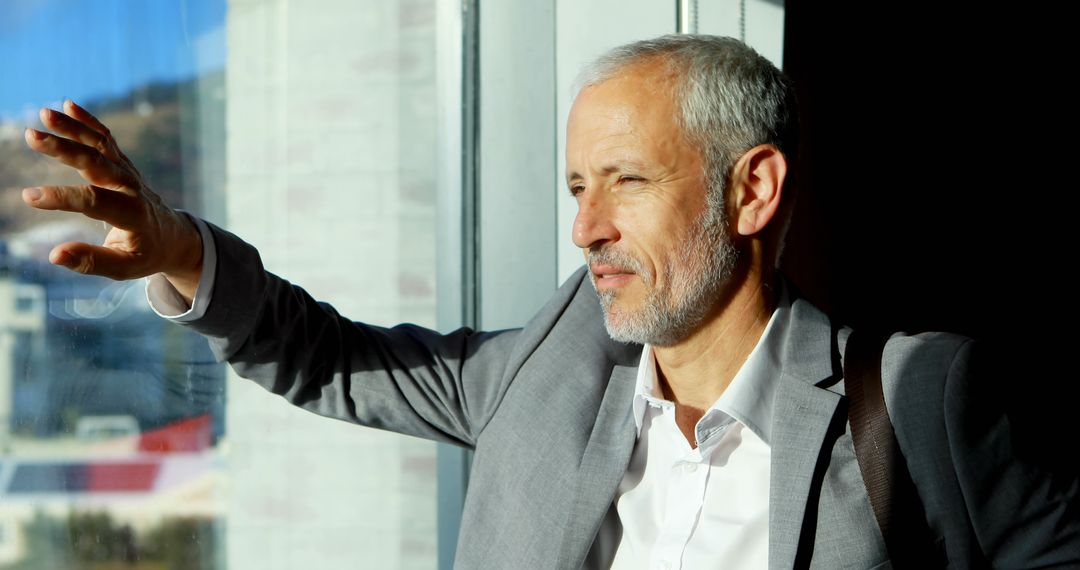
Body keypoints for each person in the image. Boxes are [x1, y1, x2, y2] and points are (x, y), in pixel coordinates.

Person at [20, 35, 1078, 569]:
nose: (587, 231)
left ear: (751, 189)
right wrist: (174, 248)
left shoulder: (925, 396)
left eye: (627, 182)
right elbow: (326, 357)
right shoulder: (548, 373)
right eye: (578, 189)